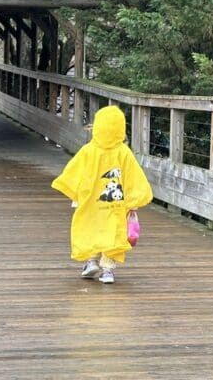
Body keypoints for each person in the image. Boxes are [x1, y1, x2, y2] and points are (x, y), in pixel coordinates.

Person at [51, 105, 153, 284]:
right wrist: (134, 198)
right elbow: (133, 176)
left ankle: (90, 261)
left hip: (91, 201)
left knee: (89, 228)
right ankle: (107, 270)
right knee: (112, 233)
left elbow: (75, 172)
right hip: (115, 204)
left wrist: (76, 194)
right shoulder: (123, 152)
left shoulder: (88, 150)